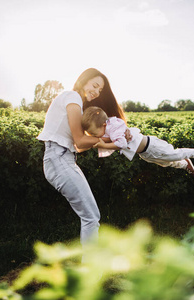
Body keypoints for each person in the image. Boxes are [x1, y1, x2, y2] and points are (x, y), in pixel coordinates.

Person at [36, 68, 128, 255]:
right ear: (83, 80)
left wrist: (109, 139)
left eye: (100, 90)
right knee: (91, 217)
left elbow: (79, 146)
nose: (96, 92)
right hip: (58, 159)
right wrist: (113, 141)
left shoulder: (75, 102)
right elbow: (79, 140)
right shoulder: (72, 97)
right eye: (94, 85)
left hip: (64, 159)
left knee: (91, 216)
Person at [81, 106, 194, 177]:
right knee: (165, 163)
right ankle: (185, 164)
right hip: (145, 153)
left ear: (104, 125)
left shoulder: (114, 128)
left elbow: (121, 144)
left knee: (174, 154)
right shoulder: (109, 128)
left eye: (93, 133)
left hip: (152, 145)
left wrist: (104, 145)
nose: (93, 136)